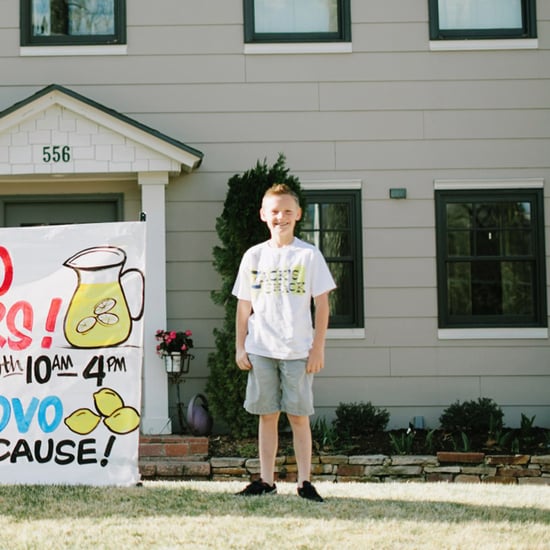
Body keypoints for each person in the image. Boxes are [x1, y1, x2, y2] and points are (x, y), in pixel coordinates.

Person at [232, 183, 336, 502]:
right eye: (275, 211)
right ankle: (266, 480)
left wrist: (317, 348)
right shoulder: (254, 256)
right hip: (261, 349)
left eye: (288, 211)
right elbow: (243, 306)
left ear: (299, 215)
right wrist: (240, 346)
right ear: (264, 215)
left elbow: (322, 304)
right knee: (267, 415)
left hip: (297, 350)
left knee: (298, 416)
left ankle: (304, 482)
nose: (281, 217)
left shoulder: (308, 255)